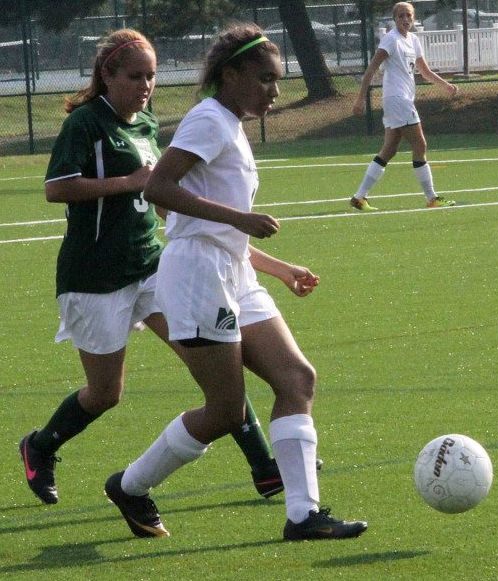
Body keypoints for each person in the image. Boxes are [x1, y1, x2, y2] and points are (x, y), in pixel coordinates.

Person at [104, 23, 368, 542]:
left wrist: (281, 268)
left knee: (297, 379)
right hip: (198, 277)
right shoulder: (209, 119)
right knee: (226, 411)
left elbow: (218, 229)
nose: (275, 91)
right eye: (265, 79)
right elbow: (159, 189)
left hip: (232, 271)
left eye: (277, 80)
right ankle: (130, 485)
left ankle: (303, 515)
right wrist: (240, 218)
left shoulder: (230, 124)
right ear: (230, 75)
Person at [18, 28, 293, 507]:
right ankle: (40, 446)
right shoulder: (85, 123)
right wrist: (130, 181)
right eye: (135, 76)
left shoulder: (145, 124)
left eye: (151, 76)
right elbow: (57, 188)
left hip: (151, 266)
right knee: (106, 393)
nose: (145, 86)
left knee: (215, 358)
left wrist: (265, 262)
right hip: (94, 275)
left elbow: (167, 202)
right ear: (107, 75)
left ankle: (265, 467)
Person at [351, 1, 458, 212]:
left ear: (414, 17)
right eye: (401, 16)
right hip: (397, 99)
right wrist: (360, 98)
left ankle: (359, 197)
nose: (405, 19)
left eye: (409, 15)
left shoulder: (414, 40)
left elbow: (424, 71)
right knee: (420, 145)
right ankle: (432, 197)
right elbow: (371, 69)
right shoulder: (391, 40)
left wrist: (445, 85)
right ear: (395, 19)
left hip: (401, 100)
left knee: (389, 149)